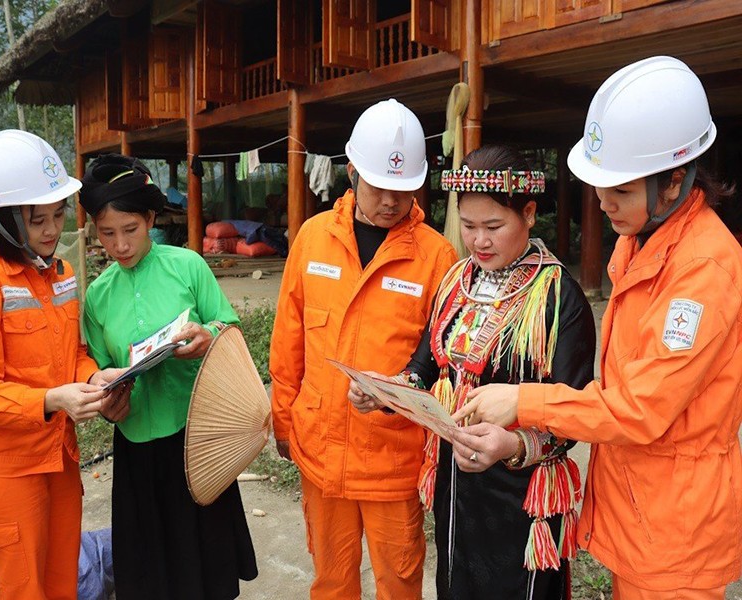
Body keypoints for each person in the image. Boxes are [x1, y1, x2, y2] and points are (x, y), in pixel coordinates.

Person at [459, 56, 742, 599]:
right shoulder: (644, 242)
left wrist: (526, 402)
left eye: (622, 190)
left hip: (675, 530)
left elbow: (639, 406)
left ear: (674, 181)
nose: (604, 202)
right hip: (641, 510)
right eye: (599, 185)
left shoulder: (701, 273)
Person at [349, 145, 596, 599]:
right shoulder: (455, 282)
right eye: (468, 226)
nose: (479, 241)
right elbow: (425, 366)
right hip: (456, 484)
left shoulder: (560, 297)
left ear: (528, 214)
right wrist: (389, 392)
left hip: (520, 492)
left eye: (493, 227)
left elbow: (575, 410)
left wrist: (514, 444)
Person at [269, 98, 458, 599]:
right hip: (321, 450)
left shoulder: (437, 256)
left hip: (393, 460)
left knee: (399, 583)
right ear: (351, 173)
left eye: (403, 188)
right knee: (332, 582)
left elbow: (446, 359)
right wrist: (284, 421)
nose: (391, 201)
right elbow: (288, 340)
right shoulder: (312, 240)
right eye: (379, 186)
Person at [0, 129, 129, 599]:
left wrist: (92, 376)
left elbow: (72, 353)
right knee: (23, 590)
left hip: (59, 461)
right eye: (37, 219)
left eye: (58, 214)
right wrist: (52, 400)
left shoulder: (61, 276)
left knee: (64, 582)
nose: (52, 230)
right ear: (4, 220)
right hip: (5, 473)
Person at [79, 153, 257, 600]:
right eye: (107, 234)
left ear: (151, 218)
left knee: (206, 563)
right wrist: (107, 396)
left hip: (196, 435)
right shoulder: (98, 297)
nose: (119, 245)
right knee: (151, 571)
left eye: (131, 230)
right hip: (138, 446)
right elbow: (98, 370)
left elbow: (228, 326)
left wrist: (206, 335)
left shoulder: (187, 266)